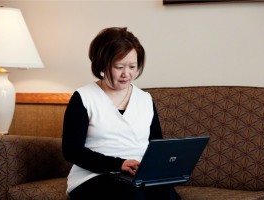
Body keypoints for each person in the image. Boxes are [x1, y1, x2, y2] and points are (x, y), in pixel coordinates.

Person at [62, 27, 181, 200]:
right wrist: (119, 164)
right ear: (102, 64)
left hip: (138, 175)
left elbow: (156, 145)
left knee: (168, 196)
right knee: (133, 197)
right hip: (94, 176)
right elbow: (71, 151)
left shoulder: (145, 99)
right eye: (119, 67)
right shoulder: (84, 97)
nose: (127, 74)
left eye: (133, 66)